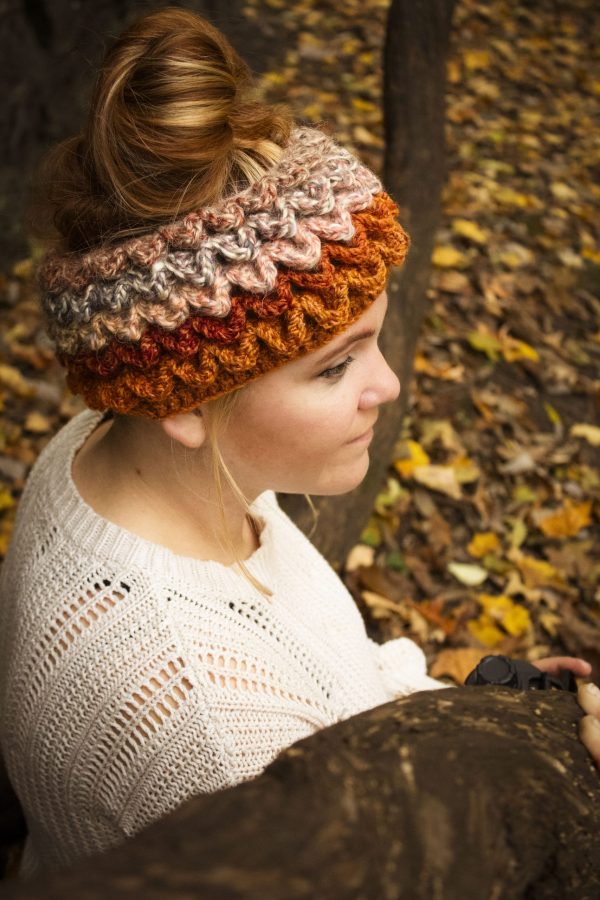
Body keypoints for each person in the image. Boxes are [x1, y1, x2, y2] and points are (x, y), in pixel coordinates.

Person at [0, 5, 598, 879]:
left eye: (375, 339)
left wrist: (462, 712)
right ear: (184, 396)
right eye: (333, 367)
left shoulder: (119, 455)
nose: (387, 387)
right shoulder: (210, 732)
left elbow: (334, 672)